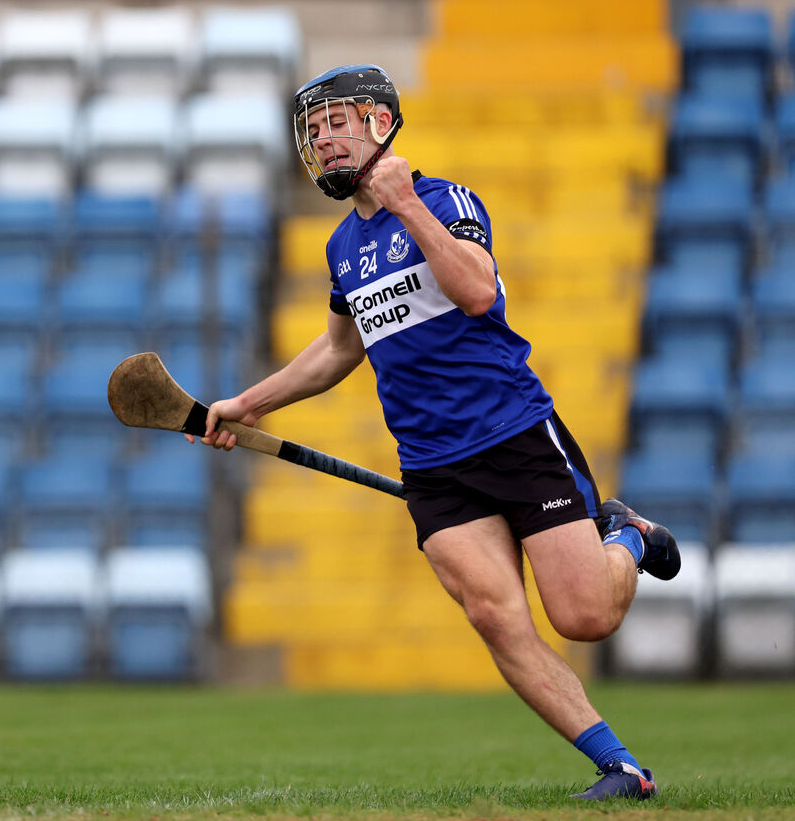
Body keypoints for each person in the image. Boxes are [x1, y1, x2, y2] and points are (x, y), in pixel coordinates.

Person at [188, 64, 680, 801]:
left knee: (584, 617)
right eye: (313, 132)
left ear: (380, 124)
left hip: (513, 432)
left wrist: (408, 205)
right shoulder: (341, 249)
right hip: (432, 465)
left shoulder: (445, 200)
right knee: (494, 617)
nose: (322, 142)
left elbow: (478, 290)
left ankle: (627, 534)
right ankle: (621, 768)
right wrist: (249, 403)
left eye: (335, 124)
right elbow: (339, 350)